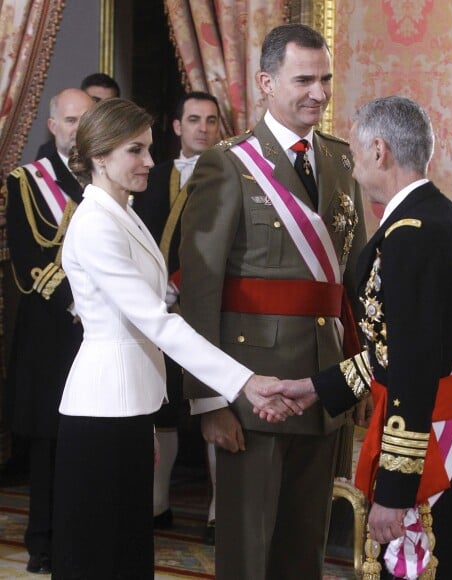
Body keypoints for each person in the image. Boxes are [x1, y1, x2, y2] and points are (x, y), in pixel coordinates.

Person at [51, 97, 297, 580]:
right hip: (103, 405)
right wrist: (242, 381)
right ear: (100, 157)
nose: (148, 161)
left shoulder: (123, 210)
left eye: (148, 149)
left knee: (127, 546)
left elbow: (159, 293)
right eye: (135, 151)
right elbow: (155, 319)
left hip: (131, 400)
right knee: (99, 552)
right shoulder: (97, 220)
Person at [273, 96, 452, 579]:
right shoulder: (447, 219)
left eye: (357, 151)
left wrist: (395, 493)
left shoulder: (410, 237)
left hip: (437, 447)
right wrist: (316, 389)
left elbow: (413, 372)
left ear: (378, 150)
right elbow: (395, 351)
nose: (354, 166)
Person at [179, 23, 367, 580]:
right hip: (252, 386)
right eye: (304, 79)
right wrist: (209, 400)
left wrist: (353, 377)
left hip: (322, 380)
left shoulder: (341, 160)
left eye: (326, 79)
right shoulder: (228, 163)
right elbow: (201, 289)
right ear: (266, 82)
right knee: (248, 548)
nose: (320, 92)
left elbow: (349, 285)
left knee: (303, 545)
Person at [3, 87, 94, 574]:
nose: (79, 129)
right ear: (53, 125)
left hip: (101, 331)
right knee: (48, 441)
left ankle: (86, 535)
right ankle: (43, 541)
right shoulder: (26, 181)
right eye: (72, 119)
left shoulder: (108, 175)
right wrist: (76, 302)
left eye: (88, 120)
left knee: (92, 437)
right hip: (52, 329)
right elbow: (27, 258)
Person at [131, 91, 221, 536]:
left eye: (211, 120)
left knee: (215, 403)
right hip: (158, 313)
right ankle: (157, 503)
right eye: (194, 119)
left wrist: (181, 284)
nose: (203, 127)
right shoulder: (151, 176)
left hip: (213, 311)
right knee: (162, 407)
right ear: (177, 126)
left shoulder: (234, 179)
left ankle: (218, 512)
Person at [36, 73, 120, 160]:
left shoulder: (122, 149)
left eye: (108, 103)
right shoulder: (49, 151)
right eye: (95, 101)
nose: (100, 109)